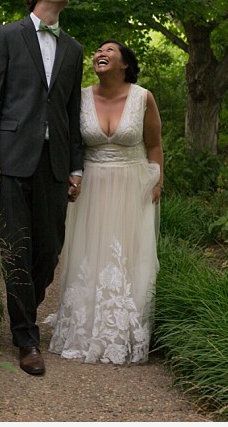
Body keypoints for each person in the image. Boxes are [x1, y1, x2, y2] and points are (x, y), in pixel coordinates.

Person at [0, 0, 85, 376]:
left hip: (54, 163)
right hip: (9, 160)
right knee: (16, 249)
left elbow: (71, 113)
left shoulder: (73, 49)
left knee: (48, 250)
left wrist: (76, 166)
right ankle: (26, 337)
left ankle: (22, 308)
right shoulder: (6, 36)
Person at [47, 40, 163, 365]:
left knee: (129, 257)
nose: (101, 53)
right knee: (90, 255)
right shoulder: (81, 97)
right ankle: (84, 328)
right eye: (98, 50)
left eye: (110, 50)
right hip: (93, 185)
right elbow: (71, 143)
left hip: (133, 184)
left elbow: (154, 145)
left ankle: (123, 332)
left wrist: (158, 182)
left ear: (125, 63)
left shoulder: (143, 98)